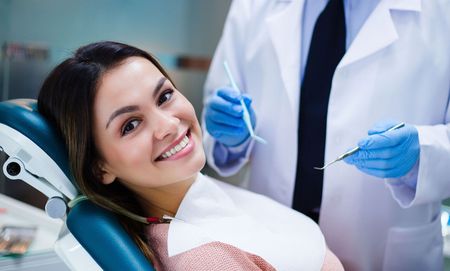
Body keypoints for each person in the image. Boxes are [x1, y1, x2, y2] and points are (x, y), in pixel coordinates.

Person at [37, 41, 343, 270]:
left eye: (165, 96)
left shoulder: (198, 194)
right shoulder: (204, 259)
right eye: (130, 125)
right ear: (99, 168)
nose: (168, 125)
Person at [202, 0, 450, 270]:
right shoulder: (253, 6)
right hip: (269, 235)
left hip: (383, 250)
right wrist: (230, 136)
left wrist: (421, 154)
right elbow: (223, 96)